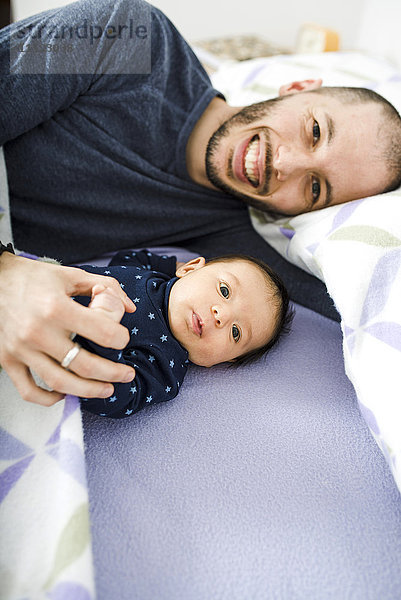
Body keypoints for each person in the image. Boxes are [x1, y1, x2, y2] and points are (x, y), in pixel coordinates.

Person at [0, 0, 400, 407]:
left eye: (315, 188)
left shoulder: (235, 248)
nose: (282, 164)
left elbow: (372, 302)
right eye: (314, 130)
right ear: (299, 88)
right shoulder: (129, 36)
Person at [67, 249, 292, 418]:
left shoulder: (164, 367)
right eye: (224, 291)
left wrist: (103, 334)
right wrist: (172, 265)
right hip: (44, 279)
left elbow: (117, 398)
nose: (221, 315)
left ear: (223, 361)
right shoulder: (148, 273)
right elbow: (125, 259)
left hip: (55, 346)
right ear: (189, 268)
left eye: (236, 332)